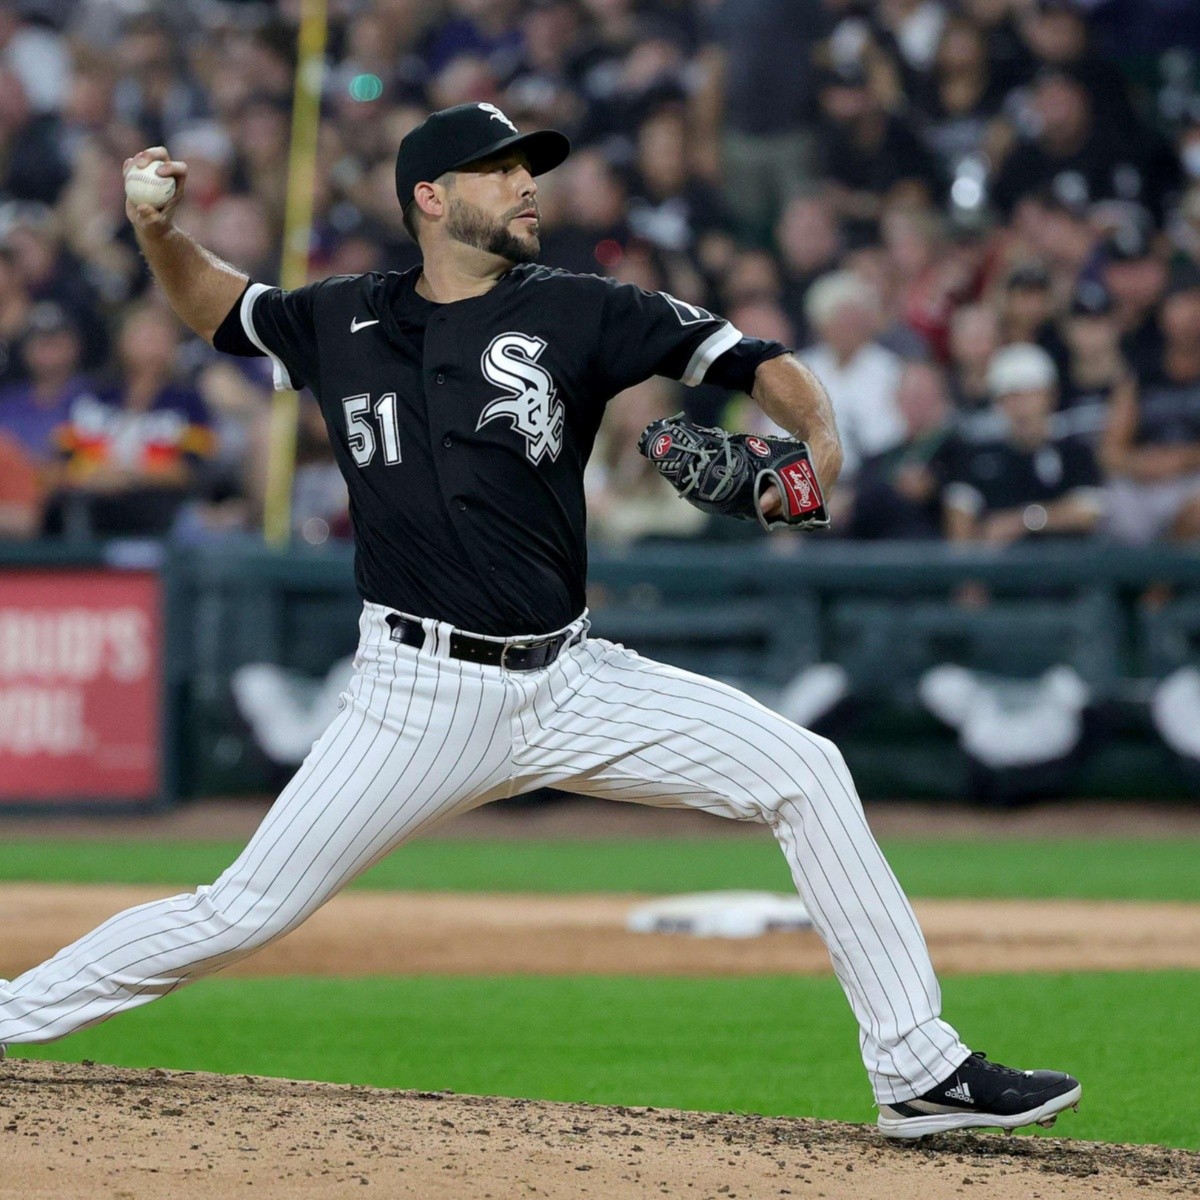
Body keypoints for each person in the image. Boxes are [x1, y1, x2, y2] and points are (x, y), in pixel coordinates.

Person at [0, 103, 1081, 1140]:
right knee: (243, 911)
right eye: (502, 168)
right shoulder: (343, 316)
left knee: (806, 771)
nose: (528, 184)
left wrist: (820, 437)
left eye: (533, 166)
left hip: (571, 682)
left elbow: (753, 362)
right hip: (414, 697)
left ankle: (917, 1069)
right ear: (430, 196)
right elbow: (218, 309)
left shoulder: (579, 308)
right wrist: (158, 231)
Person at [944, 343, 1103, 544]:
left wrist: (1023, 520)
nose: (1020, 407)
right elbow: (959, 513)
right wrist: (971, 566)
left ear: (1050, 396)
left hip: (1064, 567)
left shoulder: (1073, 450)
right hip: (1000, 569)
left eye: (1029, 395)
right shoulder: (978, 454)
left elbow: (1088, 513)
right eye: (1009, 398)